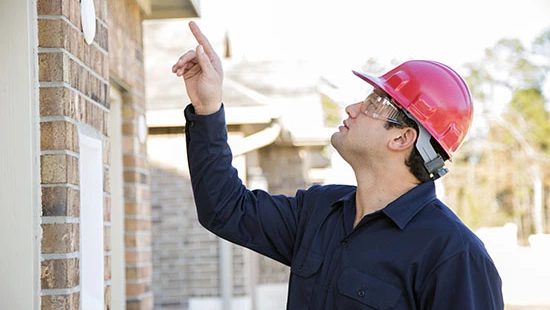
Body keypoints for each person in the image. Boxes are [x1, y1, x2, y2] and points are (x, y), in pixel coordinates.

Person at [172, 21, 504, 309]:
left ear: (403, 138)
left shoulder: (454, 255)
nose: (351, 108)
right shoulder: (319, 211)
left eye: (375, 102)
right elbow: (225, 208)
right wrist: (207, 108)